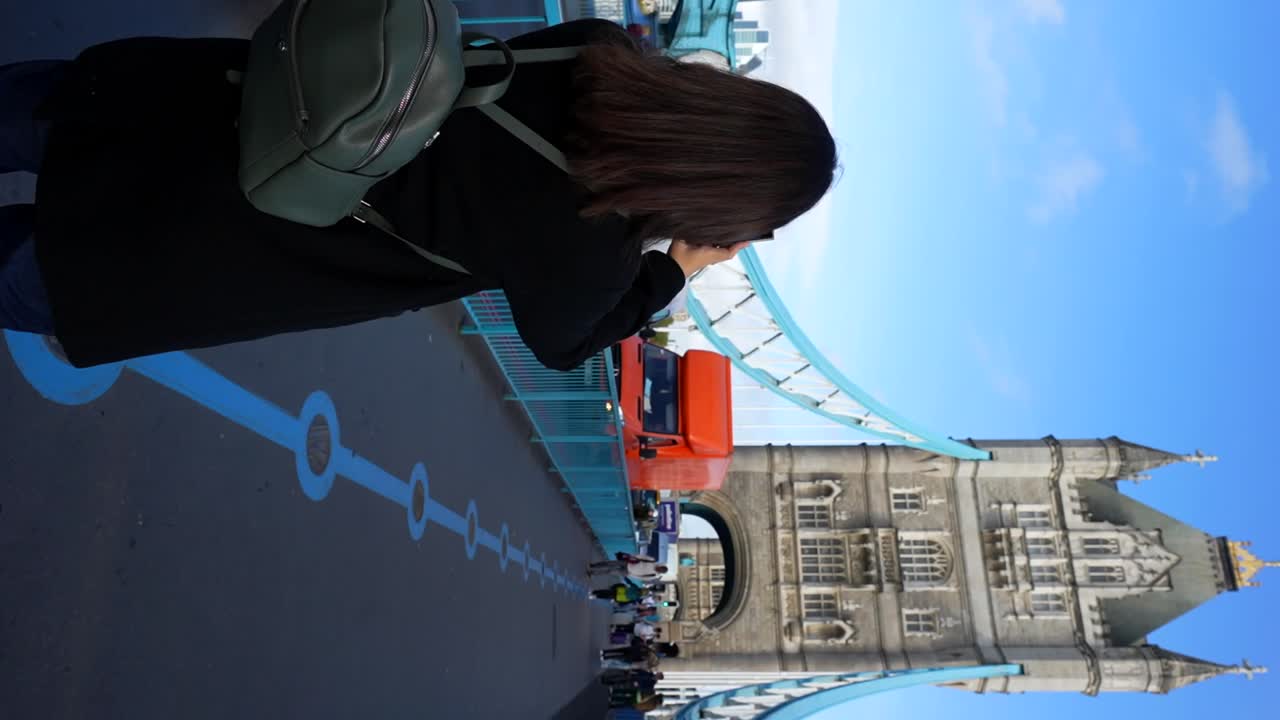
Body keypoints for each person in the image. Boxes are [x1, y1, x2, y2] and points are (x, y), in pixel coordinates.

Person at [0, 20, 837, 371]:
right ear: (717, 203)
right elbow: (566, 345)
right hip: (182, 243)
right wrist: (674, 269)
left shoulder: (597, 48)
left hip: (179, 103)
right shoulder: (589, 246)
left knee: (22, 114)